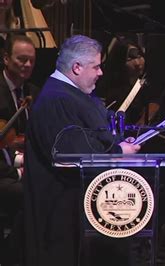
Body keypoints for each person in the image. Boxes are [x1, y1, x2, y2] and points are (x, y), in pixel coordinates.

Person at [22, 35, 140, 266]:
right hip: (63, 212)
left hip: (83, 209)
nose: (100, 73)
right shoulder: (58, 99)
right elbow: (73, 154)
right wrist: (118, 151)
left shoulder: (72, 95)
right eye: (96, 66)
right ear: (77, 67)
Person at [0, 34, 37, 263]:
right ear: (6, 59)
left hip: (23, 169)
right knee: (30, 196)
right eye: (22, 59)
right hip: (3, 172)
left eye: (32, 60)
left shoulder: (34, 91)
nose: (27, 65)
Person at [96, 36, 158, 125]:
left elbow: (155, 102)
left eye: (139, 56)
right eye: (130, 59)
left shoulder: (147, 84)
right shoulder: (106, 87)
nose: (137, 63)